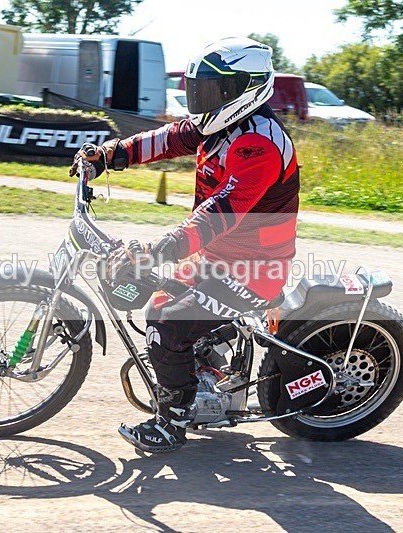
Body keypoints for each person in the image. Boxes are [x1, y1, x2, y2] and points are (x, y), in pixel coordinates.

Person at [71, 37, 300, 453]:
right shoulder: (218, 124)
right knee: (154, 299)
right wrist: (107, 155)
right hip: (216, 257)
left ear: (245, 89)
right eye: (199, 90)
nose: (201, 101)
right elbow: (166, 139)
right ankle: (207, 372)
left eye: (212, 91)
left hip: (253, 268)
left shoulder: (258, 144)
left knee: (164, 325)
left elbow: (219, 213)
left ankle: (171, 423)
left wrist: (158, 249)